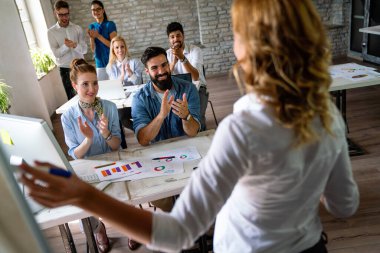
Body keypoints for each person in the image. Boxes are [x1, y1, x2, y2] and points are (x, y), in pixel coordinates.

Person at [20, 0, 359, 252]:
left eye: (237, 32)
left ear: (251, 50)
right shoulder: (328, 114)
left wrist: (84, 196)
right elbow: (344, 205)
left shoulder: (243, 129)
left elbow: (177, 233)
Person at [60, 58, 122, 252]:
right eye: (85, 84)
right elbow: (75, 155)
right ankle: (98, 229)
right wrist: (87, 140)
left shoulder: (110, 108)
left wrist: (106, 134)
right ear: (74, 86)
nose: (92, 89)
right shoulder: (68, 116)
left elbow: (116, 145)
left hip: (112, 163)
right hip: (86, 167)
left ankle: (129, 228)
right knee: (81, 206)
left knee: (125, 198)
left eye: (94, 83)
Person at [132, 46, 201, 147]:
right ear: (147, 71)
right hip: (158, 152)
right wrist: (161, 116)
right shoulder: (139, 98)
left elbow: (193, 132)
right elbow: (142, 140)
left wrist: (186, 116)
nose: (161, 71)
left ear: (169, 64)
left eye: (164, 65)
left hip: (187, 148)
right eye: (154, 68)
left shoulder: (189, 89)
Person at [166, 22, 208, 130]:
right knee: (172, 120)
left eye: (178, 35)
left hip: (198, 89)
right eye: (172, 37)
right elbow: (165, 79)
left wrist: (183, 59)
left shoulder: (195, 50)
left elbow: (195, 77)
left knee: (197, 119)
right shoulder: (167, 55)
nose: (176, 39)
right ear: (169, 39)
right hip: (177, 91)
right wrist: (173, 63)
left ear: (183, 36)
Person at [47, 0, 87, 100]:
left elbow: (85, 50)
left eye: (66, 14)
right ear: (55, 13)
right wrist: (66, 46)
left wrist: (74, 45)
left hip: (81, 66)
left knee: (87, 94)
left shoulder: (77, 28)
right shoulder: (51, 32)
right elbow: (56, 54)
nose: (64, 17)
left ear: (69, 12)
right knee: (73, 98)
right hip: (65, 69)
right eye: (61, 15)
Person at [88, 0, 117, 80]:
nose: (96, 11)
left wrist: (98, 36)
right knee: (103, 89)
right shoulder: (92, 26)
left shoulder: (110, 24)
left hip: (112, 62)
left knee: (115, 86)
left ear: (103, 10)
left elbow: (114, 45)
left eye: (98, 9)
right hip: (99, 63)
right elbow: (93, 49)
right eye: (93, 10)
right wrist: (91, 37)